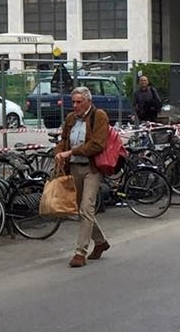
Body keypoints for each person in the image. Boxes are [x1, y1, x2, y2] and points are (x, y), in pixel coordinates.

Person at [53, 86, 111, 268]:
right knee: (81, 210)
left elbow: (97, 144)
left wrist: (70, 152)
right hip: (74, 169)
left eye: (79, 102)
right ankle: (100, 242)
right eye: (74, 102)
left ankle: (80, 252)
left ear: (88, 101)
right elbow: (63, 139)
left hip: (92, 169)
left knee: (87, 208)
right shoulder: (70, 118)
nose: (75, 105)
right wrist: (59, 152)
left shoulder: (99, 116)